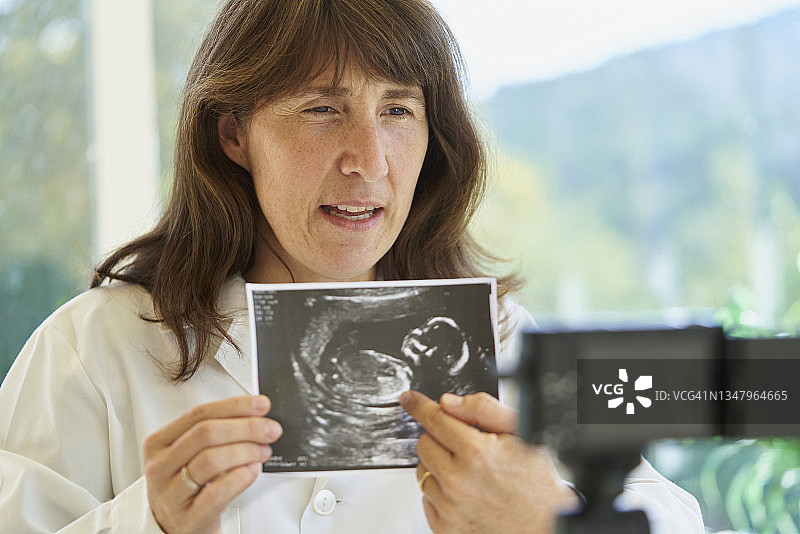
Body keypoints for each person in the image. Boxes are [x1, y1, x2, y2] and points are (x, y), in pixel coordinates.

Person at [0, 0, 705, 532]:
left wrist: (551, 514)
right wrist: (144, 520)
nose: (367, 159)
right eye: (321, 109)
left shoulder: (504, 342)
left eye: (397, 109)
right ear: (233, 134)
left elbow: (676, 516)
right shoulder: (92, 351)